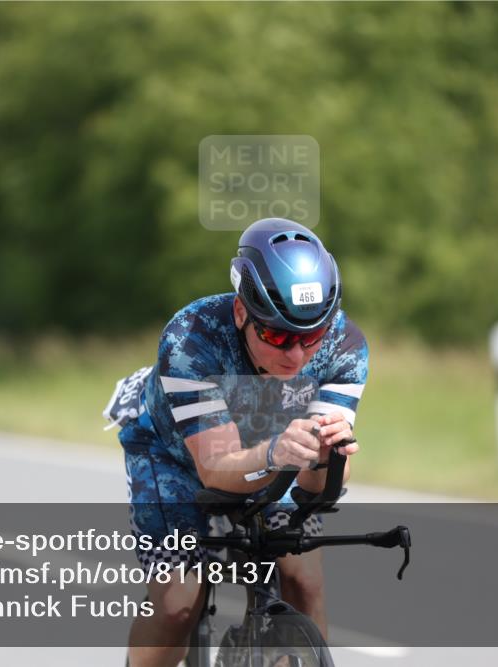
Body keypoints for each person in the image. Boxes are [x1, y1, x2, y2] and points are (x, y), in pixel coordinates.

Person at [108, 218, 368, 667]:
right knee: (178, 604)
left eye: (310, 337)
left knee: (304, 579)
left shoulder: (344, 346)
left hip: (276, 447)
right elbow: (216, 468)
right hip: (175, 456)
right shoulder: (191, 339)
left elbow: (309, 489)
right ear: (242, 312)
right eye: (278, 336)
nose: (297, 355)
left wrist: (327, 461)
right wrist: (274, 454)